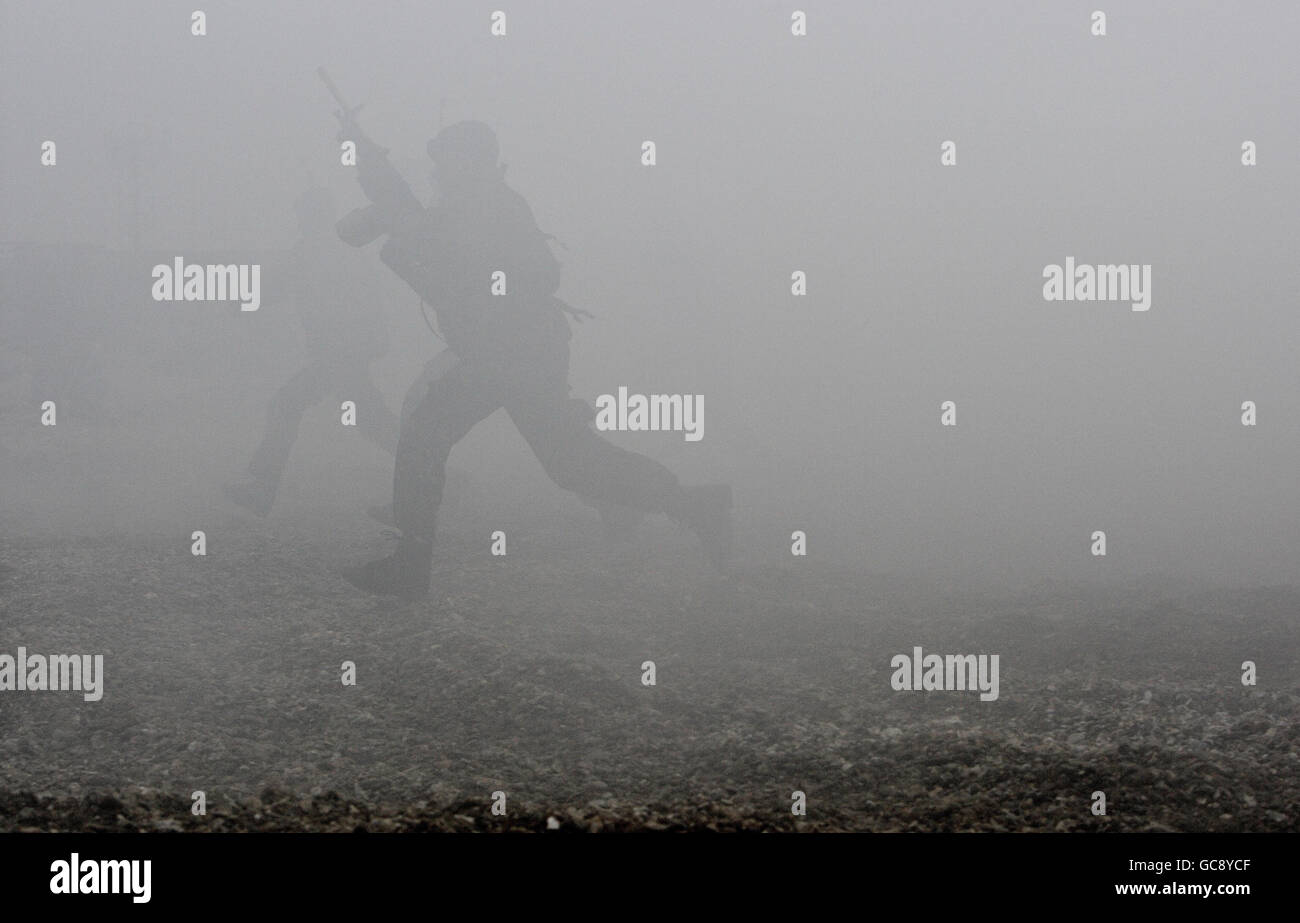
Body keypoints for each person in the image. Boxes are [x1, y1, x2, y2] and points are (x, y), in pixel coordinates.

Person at [339, 120, 731, 599]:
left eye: (445, 159)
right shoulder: (476, 203)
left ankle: (411, 565)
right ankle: (695, 506)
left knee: (430, 434)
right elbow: (413, 229)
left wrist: (377, 177)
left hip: (509, 352)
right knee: (570, 463)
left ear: (467, 161)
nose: (438, 169)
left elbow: (437, 239)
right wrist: (370, 166)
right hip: (513, 350)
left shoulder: (486, 204)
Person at [224, 187, 400, 515]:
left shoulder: (314, 250)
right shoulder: (343, 247)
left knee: (287, 405)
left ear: (311, 215)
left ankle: (262, 489)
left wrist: (241, 302)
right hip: (347, 350)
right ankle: (435, 473)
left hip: (338, 352)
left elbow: (278, 286)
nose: (299, 220)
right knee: (371, 421)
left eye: (302, 213)